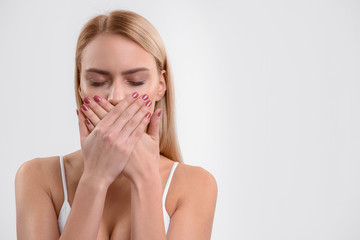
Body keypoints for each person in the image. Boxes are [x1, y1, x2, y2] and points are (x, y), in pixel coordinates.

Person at [15, 9, 217, 240]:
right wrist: (95, 178)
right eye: (97, 82)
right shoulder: (38, 177)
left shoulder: (195, 185)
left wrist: (145, 179)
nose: (116, 97)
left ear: (161, 85)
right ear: (80, 87)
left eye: (136, 81)